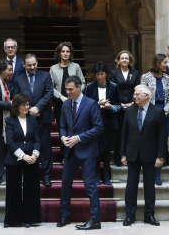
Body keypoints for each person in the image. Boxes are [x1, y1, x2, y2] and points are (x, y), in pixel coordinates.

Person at [57, 75, 103, 230]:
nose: (67, 92)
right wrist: (63, 137)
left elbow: (98, 127)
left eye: (70, 89)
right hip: (70, 151)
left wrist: (79, 138)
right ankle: (64, 215)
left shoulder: (90, 104)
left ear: (79, 87)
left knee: (90, 185)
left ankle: (95, 220)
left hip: (87, 151)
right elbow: (62, 125)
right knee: (65, 184)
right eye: (66, 89)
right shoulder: (65, 105)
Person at [121, 85, 167, 227]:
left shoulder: (158, 111)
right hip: (132, 154)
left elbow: (162, 137)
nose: (134, 96)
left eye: (137, 94)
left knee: (149, 186)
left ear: (146, 95)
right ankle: (130, 216)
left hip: (150, 155)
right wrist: (123, 154)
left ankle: (149, 215)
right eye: (134, 94)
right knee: (131, 186)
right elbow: (124, 134)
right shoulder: (129, 111)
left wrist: (160, 156)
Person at [13, 53, 54, 187]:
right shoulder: (18, 79)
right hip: (26, 117)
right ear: (24, 65)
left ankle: (47, 175)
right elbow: (17, 97)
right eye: (29, 65)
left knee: (45, 146)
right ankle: (31, 174)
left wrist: (38, 108)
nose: (32, 67)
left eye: (34, 64)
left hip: (43, 116)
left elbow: (49, 93)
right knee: (29, 146)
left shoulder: (46, 75)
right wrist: (28, 110)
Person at [4, 94, 41, 228]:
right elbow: (10, 142)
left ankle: (29, 219)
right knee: (13, 189)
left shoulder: (33, 120)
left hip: (32, 159)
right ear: (17, 106)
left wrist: (35, 155)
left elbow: (37, 140)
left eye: (27, 104)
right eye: (24, 105)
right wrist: (23, 155)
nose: (27, 107)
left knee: (31, 189)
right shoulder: (9, 120)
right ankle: (12, 220)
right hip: (15, 159)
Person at [85, 62, 121, 184]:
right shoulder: (89, 87)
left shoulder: (114, 86)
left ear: (106, 74)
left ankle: (106, 175)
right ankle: (96, 175)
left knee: (106, 150)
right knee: (95, 149)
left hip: (108, 122)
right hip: (94, 123)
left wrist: (111, 107)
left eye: (102, 74)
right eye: (97, 74)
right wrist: (97, 104)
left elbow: (119, 105)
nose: (100, 77)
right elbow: (85, 106)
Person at [141, 54, 169, 185]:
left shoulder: (168, 78)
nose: (167, 65)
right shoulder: (146, 77)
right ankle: (149, 173)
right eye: (165, 62)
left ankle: (158, 174)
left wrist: (165, 110)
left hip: (164, 113)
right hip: (149, 113)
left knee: (161, 143)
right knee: (149, 142)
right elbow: (142, 96)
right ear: (158, 63)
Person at [49, 42, 86, 157]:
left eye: (67, 51)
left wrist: (76, 93)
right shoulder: (53, 68)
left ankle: (77, 153)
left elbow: (83, 83)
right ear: (59, 53)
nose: (65, 54)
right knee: (62, 127)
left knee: (76, 126)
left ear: (70, 53)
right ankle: (65, 155)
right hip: (60, 103)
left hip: (75, 102)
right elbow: (50, 86)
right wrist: (61, 97)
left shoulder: (76, 66)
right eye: (63, 51)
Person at [109, 50, 140, 166]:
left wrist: (132, 103)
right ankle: (118, 157)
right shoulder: (113, 73)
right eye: (122, 58)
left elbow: (137, 89)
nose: (124, 60)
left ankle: (130, 156)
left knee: (131, 132)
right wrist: (120, 104)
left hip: (132, 107)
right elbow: (112, 89)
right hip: (118, 107)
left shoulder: (135, 73)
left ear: (130, 60)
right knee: (119, 133)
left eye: (126, 58)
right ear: (118, 60)